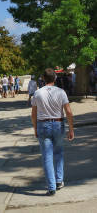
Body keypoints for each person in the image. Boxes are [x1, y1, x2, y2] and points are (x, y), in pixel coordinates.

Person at [31, 68, 74, 196]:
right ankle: (59, 180)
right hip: (58, 124)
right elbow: (69, 112)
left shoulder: (37, 93)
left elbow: (33, 114)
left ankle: (51, 187)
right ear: (55, 78)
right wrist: (71, 129)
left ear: (43, 79)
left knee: (47, 156)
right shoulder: (61, 92)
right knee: (59, 153)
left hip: (43, 125)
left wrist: (35, 128)